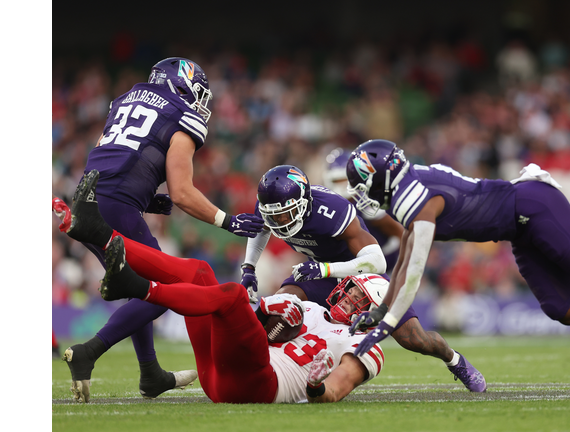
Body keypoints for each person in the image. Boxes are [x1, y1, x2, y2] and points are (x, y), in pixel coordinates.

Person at [345, 139, 570, 399]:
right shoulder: (410, 187)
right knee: (567, 311)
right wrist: (381, 310)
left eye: (364, 185)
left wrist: (388, 323)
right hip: (517, 228)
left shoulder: (416, 199)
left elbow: (416, 270)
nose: (364, 195)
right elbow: (406, 251)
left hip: (534, 207)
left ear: (380, 178)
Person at [52, 174, 386, 404]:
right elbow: (256, 329)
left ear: (372, 312)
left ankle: (138, 286)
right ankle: (100, 234)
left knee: (232, 296)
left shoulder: (365, 343)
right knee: (200, 272)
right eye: (353, 290)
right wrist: (263, 308)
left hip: (259, 385)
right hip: (222, 374)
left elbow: (337, 388)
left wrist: (316, 386)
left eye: (361, 298)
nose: (350, 296)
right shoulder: (313, 308)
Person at [57, 58, 263, 401]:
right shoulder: (182, 115)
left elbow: (105, 154)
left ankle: (150, 372)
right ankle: (90, 351)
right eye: (196, 93)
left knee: (140, 285)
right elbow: (182, 192)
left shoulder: (125, 99)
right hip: (117, 206)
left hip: (89, 201)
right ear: (179, 86)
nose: (199, 102)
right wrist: (228, 221)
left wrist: (145, 197)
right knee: (171, 287)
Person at [239, 165, 486, 392]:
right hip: (320, 273)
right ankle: (258, 368)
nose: (280, 221)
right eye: (275, 216)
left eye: (285, 214)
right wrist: (249, 268)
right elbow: (260, 228)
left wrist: (324, 269)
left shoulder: (332, 211)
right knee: (281, 306)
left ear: (303, 203)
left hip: (359, 273)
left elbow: (377, 261)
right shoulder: (271, 205)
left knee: (414, 338)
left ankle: (454, 360)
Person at [324, 148, 403, 274]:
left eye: (344, 178)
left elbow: (398, 231)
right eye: (337, 180)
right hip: (354, 266)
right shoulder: (326, 202)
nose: (342, 184)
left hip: (384, 263)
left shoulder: (368, 201)